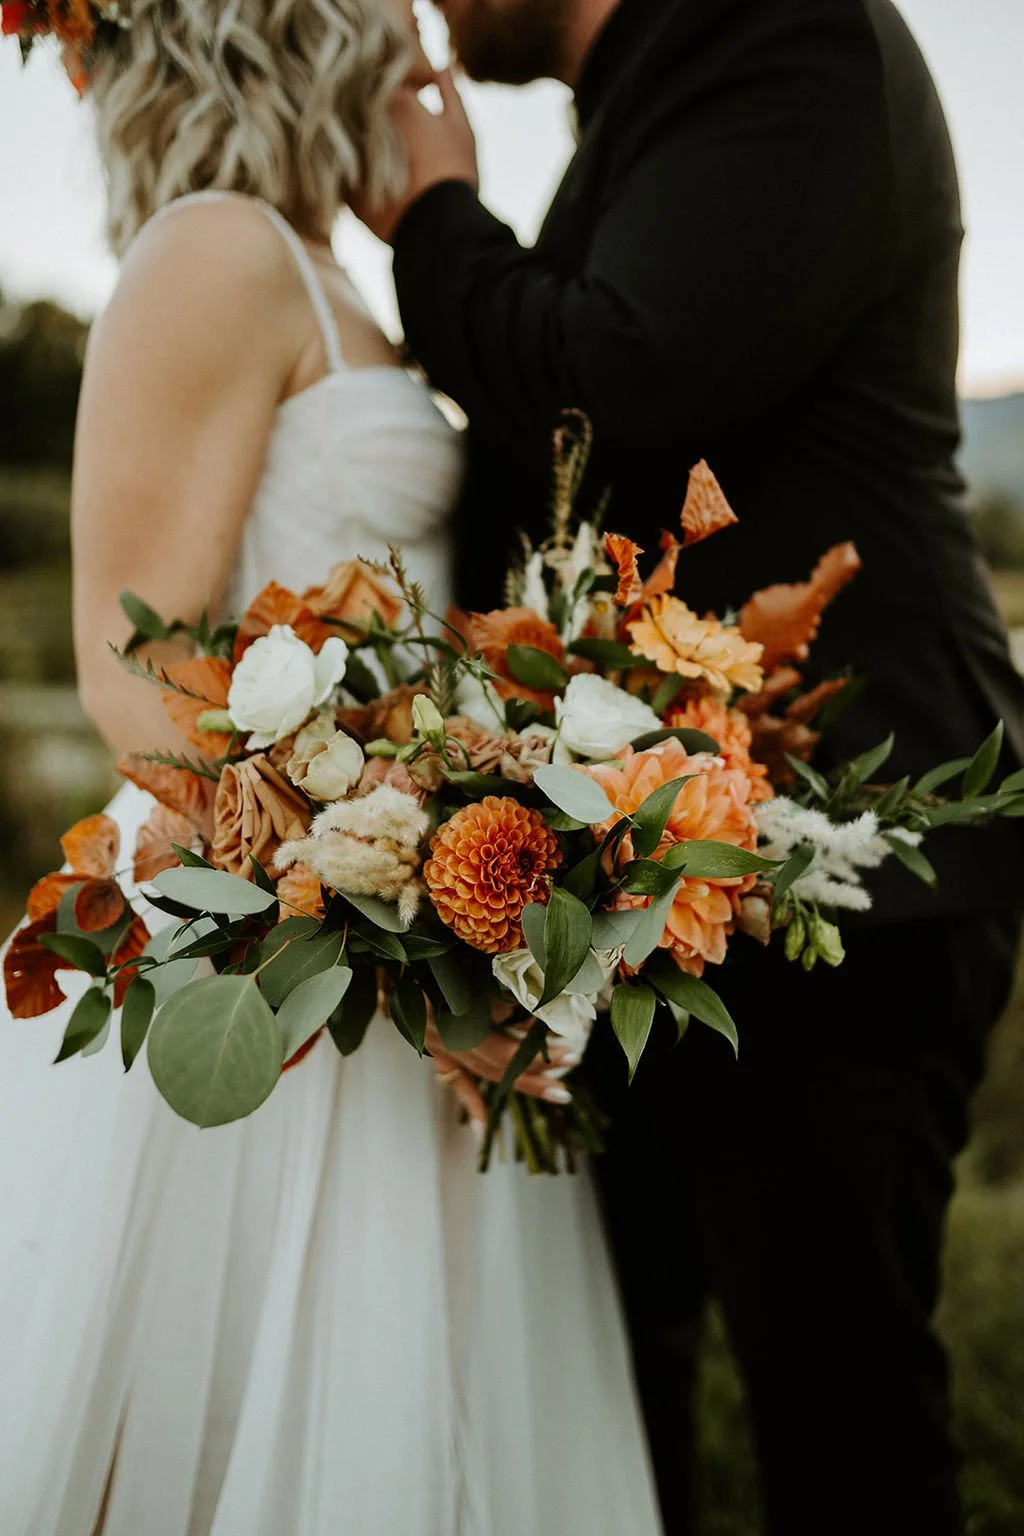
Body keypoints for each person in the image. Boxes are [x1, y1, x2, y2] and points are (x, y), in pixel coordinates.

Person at [359, 0, 1024, 1531]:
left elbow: (618, 372)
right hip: (653, 873)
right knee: (617, 1396)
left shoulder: (786, 34)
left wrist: (431, 213)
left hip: (842, 864)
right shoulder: (658, 99)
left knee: (838, 1421)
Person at [0, 4, 664, 1533]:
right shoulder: (216, 249)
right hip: (270, 950)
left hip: (383, 934)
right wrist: (387, 922)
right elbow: (133, 667)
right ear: (300, 38)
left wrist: (470, 885)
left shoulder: (323, 275)